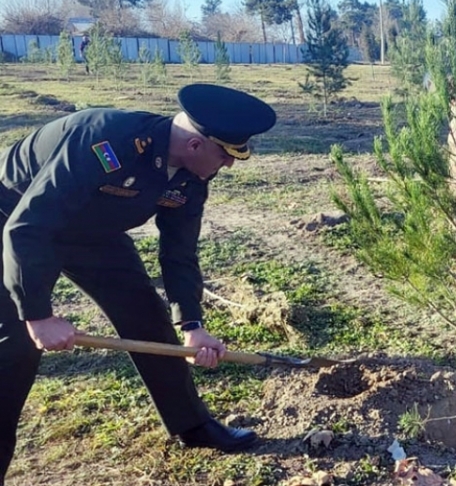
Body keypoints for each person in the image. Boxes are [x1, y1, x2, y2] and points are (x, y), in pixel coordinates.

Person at [0, 84, 277, 482]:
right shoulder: (107, 140)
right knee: (15, 349)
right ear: (196, 144)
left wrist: (193, 327)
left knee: (147, 317)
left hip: (93, 230)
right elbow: (27, 228)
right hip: (13, 216)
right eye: (226, 155)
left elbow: (179, 254)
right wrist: (38, 315)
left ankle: (192, 425)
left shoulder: (191, 178)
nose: (230, 165)